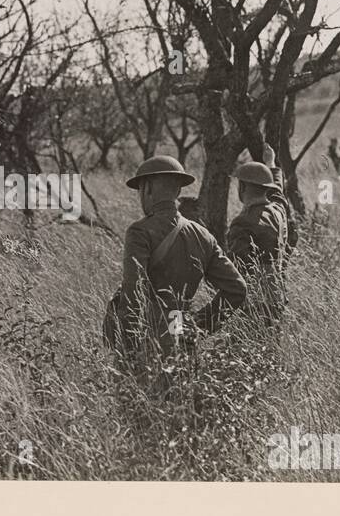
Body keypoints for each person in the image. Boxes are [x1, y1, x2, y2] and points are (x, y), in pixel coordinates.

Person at [103, 156, 248, 359]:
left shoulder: (139, 231)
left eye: (140, 190)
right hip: (183, 334)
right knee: (180, 388)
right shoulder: (203, 235)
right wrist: (197, 325)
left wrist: (127, 346)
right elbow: (237, 289)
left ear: (148, 189)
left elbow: (133, 290)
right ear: (178, 191)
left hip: (147, 337)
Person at [226, 146, 289, 323]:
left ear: (242, 187)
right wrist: (271, 164)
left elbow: (236, 270)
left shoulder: (243, 222)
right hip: (277, 297)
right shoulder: (277, 211)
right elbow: (278, 194)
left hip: (255, 302)